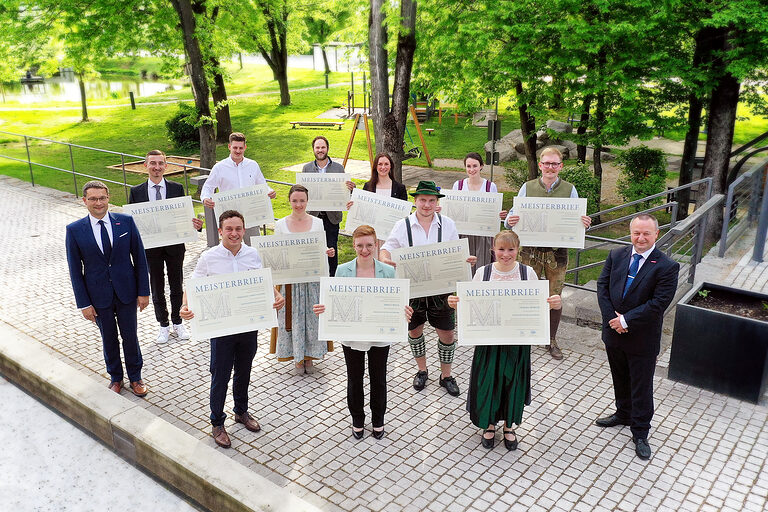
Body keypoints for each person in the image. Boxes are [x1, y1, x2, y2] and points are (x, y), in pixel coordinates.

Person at [179, 210, 285, 449]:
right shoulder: (209, 257)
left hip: (248, 326)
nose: (234, 233)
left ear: (244, 230)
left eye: (238, 229)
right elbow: (193, 285)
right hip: (222, 328)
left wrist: (277, 296)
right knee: (220, 375)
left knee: (244, 371)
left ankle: (241, 411)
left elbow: (264, 282)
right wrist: (185, 306)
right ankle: (217, 422)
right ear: (220, 231)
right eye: (229, 229)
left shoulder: (253, 254)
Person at [448, 231, 561, 450]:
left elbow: (536, 308)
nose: (506, 254)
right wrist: (457, 303)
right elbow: (473, 305)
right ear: (493, 249)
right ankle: (489, 424)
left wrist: (552, 303)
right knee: (488, 380)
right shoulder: (483, 272)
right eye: (501, 249)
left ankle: (509, 425)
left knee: (512, 381)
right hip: (488, 340)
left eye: (511, 249)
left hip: (516, 341)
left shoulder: (528, 273)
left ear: (518, 249)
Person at [312, 225, 413, 440]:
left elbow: (396, 303)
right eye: (360, 245)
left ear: (376, 245)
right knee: (354, 378)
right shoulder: (342, 270)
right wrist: (324, 309)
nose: (365, 250)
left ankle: (378, 419)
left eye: (369, 245)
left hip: (379, 335)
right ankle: (357, 418)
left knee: (379, 379)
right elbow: (335, 302)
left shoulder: (388, 272)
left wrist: (404, 311)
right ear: (353, 245)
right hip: (353, 334)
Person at [379, 180, 477, 397]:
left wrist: (465, 260)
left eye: (431, 200)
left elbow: (456, 254)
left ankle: (446, 375)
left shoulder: (448, 224)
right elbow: (386, 249)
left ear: (436, 202)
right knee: (415, 330)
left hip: (441, 290)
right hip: (412, 290)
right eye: (422, 200)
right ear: (415, 201)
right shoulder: (402, 225)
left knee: (448, 334)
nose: (426, 204)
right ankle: (422, 370)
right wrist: (385, 259)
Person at [595, 214, 679, 460]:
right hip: (614, 333)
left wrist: (625, 320)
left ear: (656, 235)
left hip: (641, 338)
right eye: (636, 233)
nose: (640, 238)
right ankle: (623, 413)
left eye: (646, 234)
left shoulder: (666, 266)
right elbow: (602, 287)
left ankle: (640, 431)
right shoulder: (616, 255)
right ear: (630, 233)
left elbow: (659, 303)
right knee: (619, 377)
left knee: (641, 386)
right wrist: (614, 320)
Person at [503, 147, 592, 360]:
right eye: (546, 163)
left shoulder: (570, 190)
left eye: (555, 163)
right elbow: (514, 216)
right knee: (526, 294)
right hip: (530, 252)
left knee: (554, 297)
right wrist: (509, 220)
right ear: (540, 165)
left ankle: (550, 339)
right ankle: (523, 336)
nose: (550, 167)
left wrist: (584, 224)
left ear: (560, 166)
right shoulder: (527, 187)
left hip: (557, 253)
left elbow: (576, 220)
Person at [65, 181, 150, 397]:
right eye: (93, 199)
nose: (98, 202)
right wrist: (84, 303)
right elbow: (75, 270)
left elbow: (139, 258)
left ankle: (136, 377)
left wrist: (144, 292)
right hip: (98, 295)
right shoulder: (74, 230)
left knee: (130, 336)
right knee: (109, 337)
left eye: (102, 197)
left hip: (127, 292)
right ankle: (115, 377)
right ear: (84, 201)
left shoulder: (126, 222)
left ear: (108, 198)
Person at [128, 150, 203, 344]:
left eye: (161, 163)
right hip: (151, 248)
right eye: (153, 163)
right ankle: (163, 324)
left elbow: (185, 217)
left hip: (174, 246)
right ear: (145, 166)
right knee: (157, 287)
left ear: (166, 166)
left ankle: (178, 322)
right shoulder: (136, 192)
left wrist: (196, 225)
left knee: (176, 284)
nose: (157, 167)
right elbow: (134, 224)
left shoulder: (176, 188)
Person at [271, 185, 335, 374]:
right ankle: (297, 357)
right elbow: (276, 255)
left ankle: (310, 356)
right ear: (289, 201)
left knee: (312, 318)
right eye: (295, 200)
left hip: (312, 278)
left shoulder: (317, 223)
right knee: (293, 319)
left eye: (302, 200)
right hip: (291, 280)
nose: (299, 204)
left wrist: (327, 253)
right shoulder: (281, 224)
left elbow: (320, 249)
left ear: (307, 201)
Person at [200, 132, 276, 244]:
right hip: (229, 218)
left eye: (241, 148)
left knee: (254, 248)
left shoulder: (253, 165)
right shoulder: (219, 167)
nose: (238, 151)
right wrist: (205, 198)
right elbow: (208, 187)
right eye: (235, 147)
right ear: (229, 147)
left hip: (251, 216)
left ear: (245, 147)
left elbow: (262, 185)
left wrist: (270, 191)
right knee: (230, 249)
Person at [302, 135, 355, 276]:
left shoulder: (338, 168)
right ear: (313, 149)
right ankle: (315, 277)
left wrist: (350, 189)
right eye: (317, 147)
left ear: (327, 149)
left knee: (332, 250)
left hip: (332, 218)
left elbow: (345, 194)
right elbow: (303, 193)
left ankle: (332, 279)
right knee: (313, 250)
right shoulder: (307, 169)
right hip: (313, 216)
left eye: (323, 147)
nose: (320, 150)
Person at [451, 152, 508, 269]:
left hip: (483, 234)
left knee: (483, 265)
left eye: (475, 166)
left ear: (481, 166)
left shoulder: (490, 186)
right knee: (464, 266)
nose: (472, 169)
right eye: (468, 166)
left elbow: (494, 211)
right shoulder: (458, 185)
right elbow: (452, 209)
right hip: (463, 233)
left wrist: (499, 214)